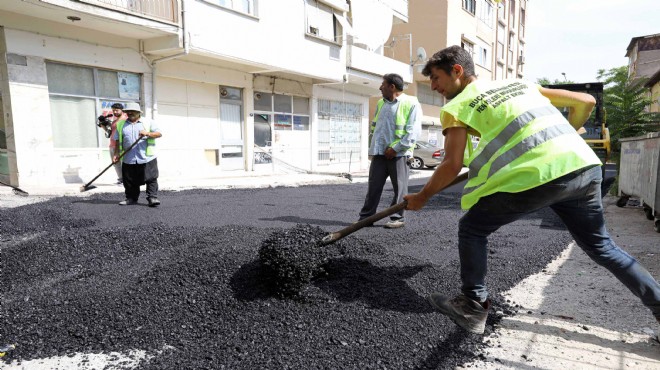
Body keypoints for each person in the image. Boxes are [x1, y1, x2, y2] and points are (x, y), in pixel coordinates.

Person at [404, 45, 660, 334]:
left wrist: (422, 197)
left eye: (436, 78)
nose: (434, 87)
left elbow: (451, 165)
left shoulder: (456, 107)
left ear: (458, 71)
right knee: (603, 248)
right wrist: (565, 131)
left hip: (536, 178)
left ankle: (473, 305)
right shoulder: (518, 84)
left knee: (472, 229)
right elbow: (586, 101)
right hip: (583, 169)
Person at [358, 73, 422, 229]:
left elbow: (413, 131)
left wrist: (396, 148)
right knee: (373, 187)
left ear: (392, 87)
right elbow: (377, 129)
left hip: (399, 155)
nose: (380, 87)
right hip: (380, 154)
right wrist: (373, 149)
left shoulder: (411, 103)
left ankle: (397, 218)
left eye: (383, 84)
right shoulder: (381, 103)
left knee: (400, 188)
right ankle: (366, 218)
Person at [112, 102, 162, 207]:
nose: (130, 113)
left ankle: (152, 198)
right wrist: (116, 154)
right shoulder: (121, 125)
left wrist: (148, 133)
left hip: (147, 157)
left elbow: (159, 133)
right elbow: (117, 141)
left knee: (151, 178)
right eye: (128, 111)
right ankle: (131, 198)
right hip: (128, 158)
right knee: (129, 180)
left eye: (133, 111)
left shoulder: (148, 122)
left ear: (138, 112)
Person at [109, 103, 126, 185]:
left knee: (124, 163)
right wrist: (103, 126)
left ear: (122, 110)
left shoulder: (125, 120)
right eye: (113, 110)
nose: (115, 112)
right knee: (115, 163)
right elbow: (110, 133)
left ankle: (126, 180)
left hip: (120, 145)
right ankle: (121, 179)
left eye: (116, 110)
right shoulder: (114, 121)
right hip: (112, 144)